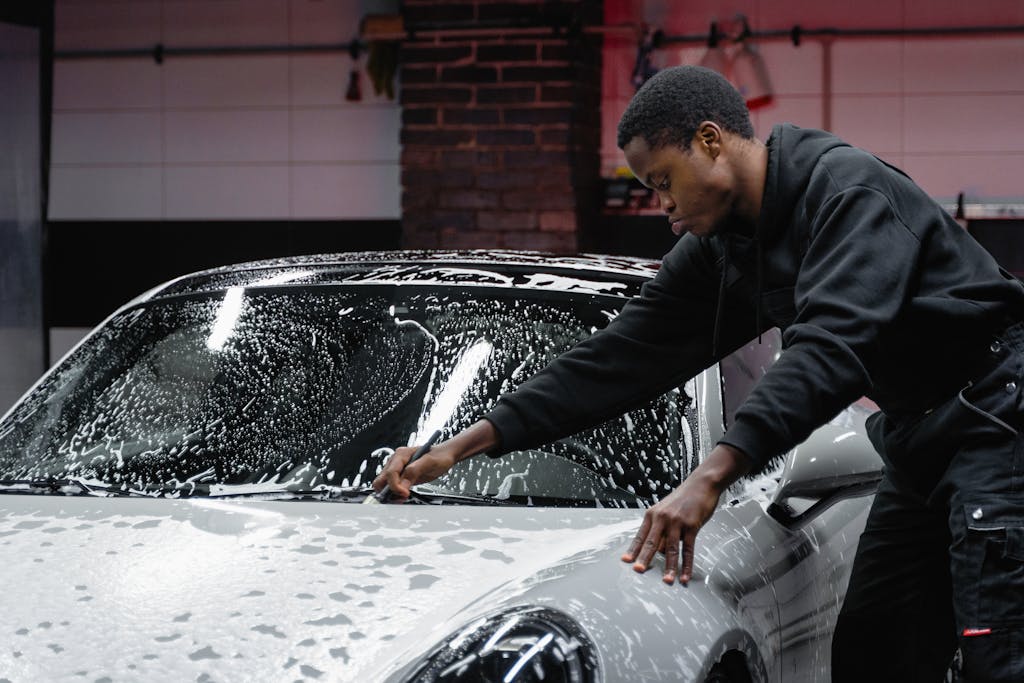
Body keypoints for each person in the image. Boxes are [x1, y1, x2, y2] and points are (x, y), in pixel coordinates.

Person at [372, 65, 1024, 681]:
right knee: (873, 651)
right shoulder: (723, 249)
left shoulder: (846, 191)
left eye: (662, 181)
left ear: (710, 141)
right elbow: (615, 358)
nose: (662, 205)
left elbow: (830, 346)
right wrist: (460, 445)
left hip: (999, 418)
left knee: (998, 654)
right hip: (920, 438)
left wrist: (709, 477)